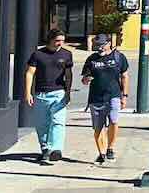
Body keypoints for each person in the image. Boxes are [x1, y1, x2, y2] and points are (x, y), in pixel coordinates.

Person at [24, 29, 73, 165]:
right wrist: (28, 93)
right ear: (50, 39)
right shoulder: (38, 54)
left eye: (62, 41)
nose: (60, 43)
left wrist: (68, 92)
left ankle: (56, 149)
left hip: (59, 93)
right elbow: (30, 73)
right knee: (42, 124)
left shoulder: (67, 54)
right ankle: (45, 149)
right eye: (57, 40)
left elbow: (68, 75)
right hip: (41, 95)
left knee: (58, 121)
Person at [81, 33, 130, 165]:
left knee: (114, 121)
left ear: (109, 43)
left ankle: (110, 148)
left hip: (113, 95)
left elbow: (125, 76)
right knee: (98, 127)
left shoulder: (118, 57)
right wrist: (86, 79)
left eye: (102, 45)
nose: (99, 48)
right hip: (96, 97)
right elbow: (84, 80)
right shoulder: (91, 59)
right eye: (97, 45)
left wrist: (124, 96)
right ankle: (101, 153)